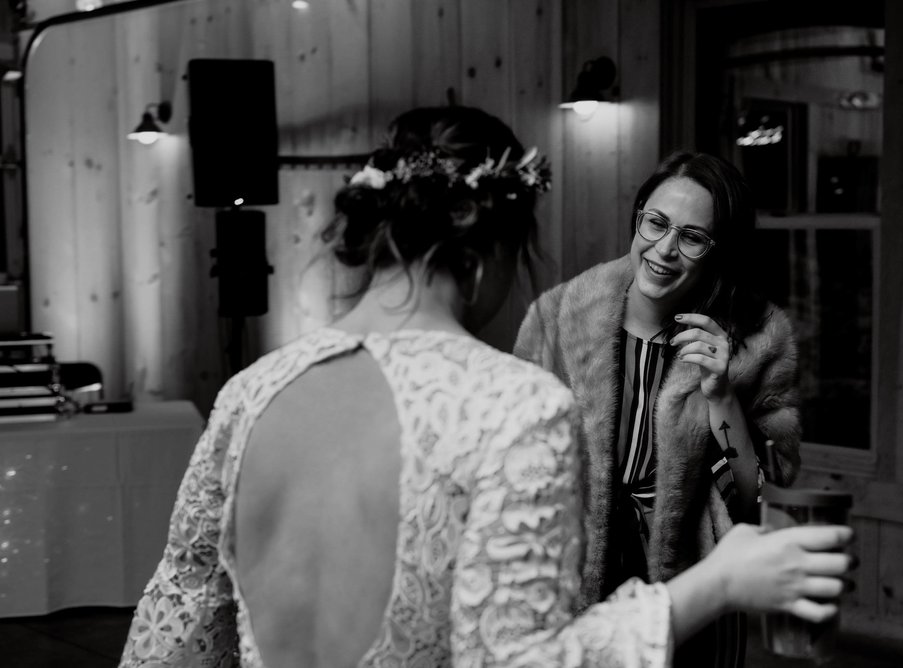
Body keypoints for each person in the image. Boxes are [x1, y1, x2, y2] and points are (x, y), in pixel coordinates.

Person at [119, 110, 848, 667]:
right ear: (489, 251)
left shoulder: (251, 391)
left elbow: (174, 626)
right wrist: (717, 586)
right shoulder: (517, 408)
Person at [514, 150, 802, 666]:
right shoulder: (557, 318)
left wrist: (721, 395)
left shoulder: (757, 339)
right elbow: (511, 466)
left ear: (719, 249)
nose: (665, 249)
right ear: (639, 215)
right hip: (570, 571)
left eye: (692, 237)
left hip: (691, 584)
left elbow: (756, 499)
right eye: (657, 222)